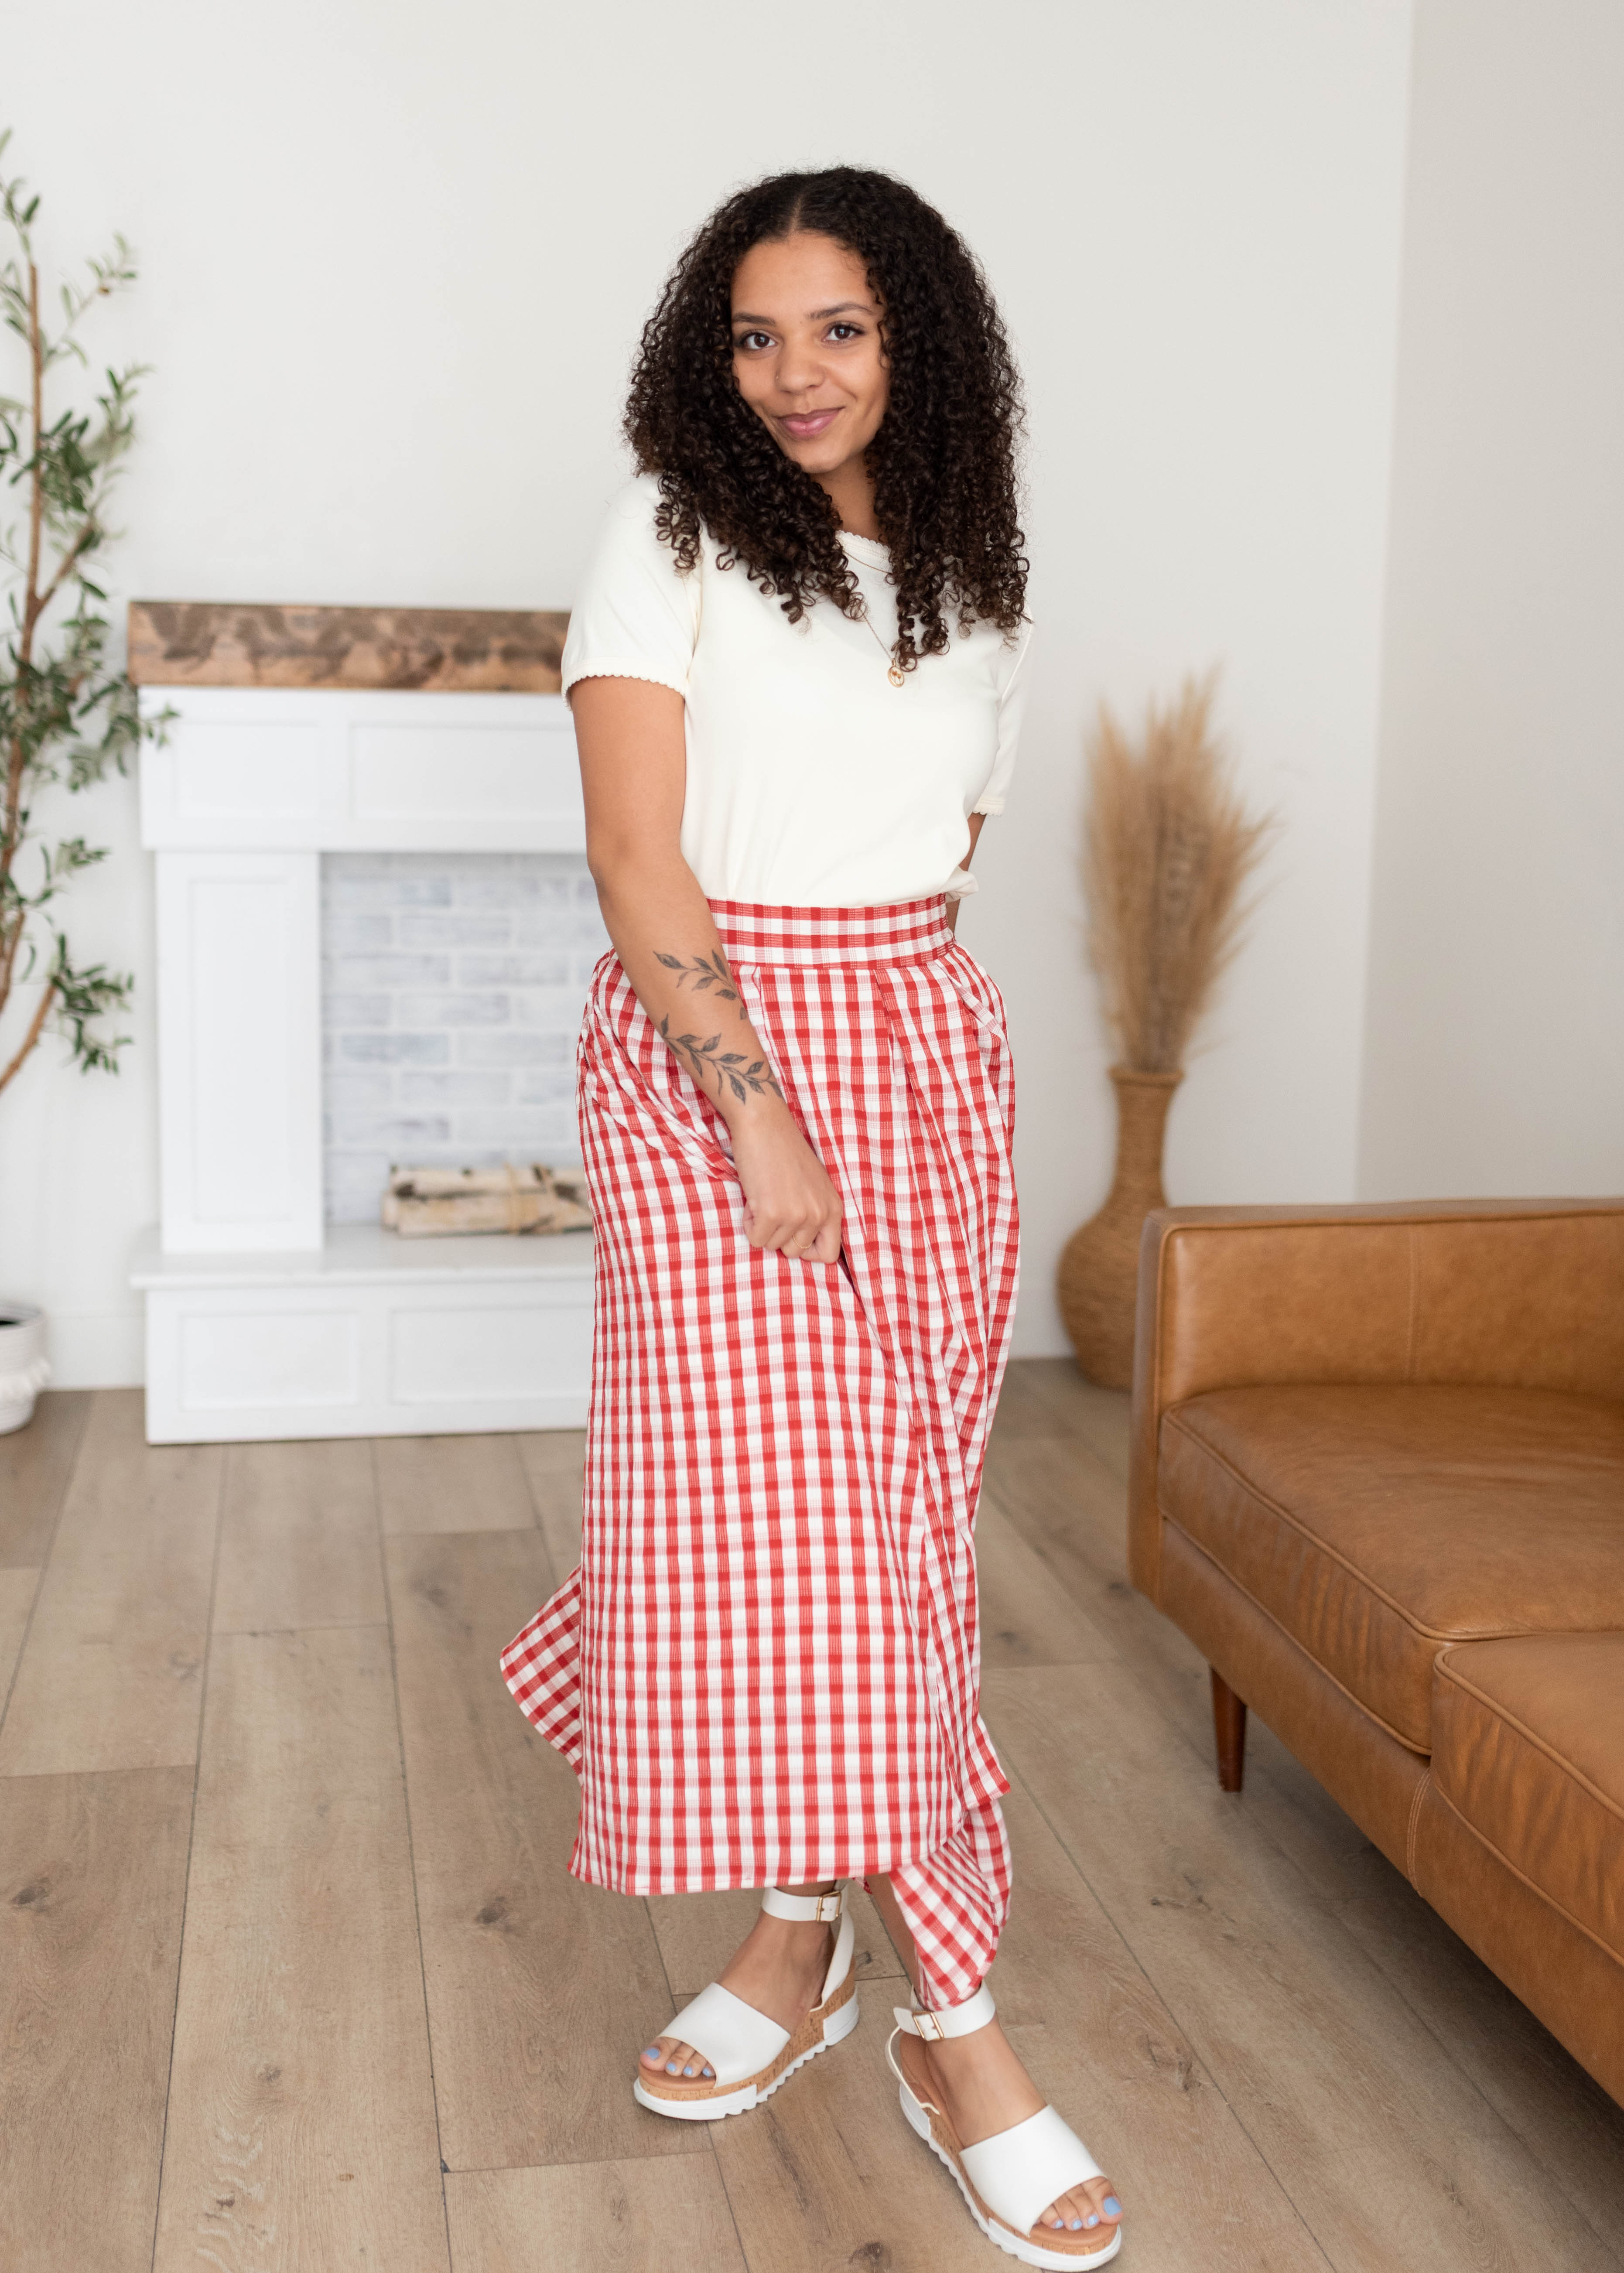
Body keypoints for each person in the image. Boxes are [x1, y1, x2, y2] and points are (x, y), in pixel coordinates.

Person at [501, 166, 1125, 2268]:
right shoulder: (665, 536)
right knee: (788, 1533)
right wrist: (761, 1108)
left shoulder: (977, 582)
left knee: (892, 1533)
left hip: (924, 1051)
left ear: (914, 341)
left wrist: (879, 1079)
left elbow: (937, 854)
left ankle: (797, 1941)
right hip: (717, 1062)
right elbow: (632, 854)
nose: (793, 374)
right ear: (711, 349)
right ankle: (960, 2025)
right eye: (754, 334)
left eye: (838, 330)